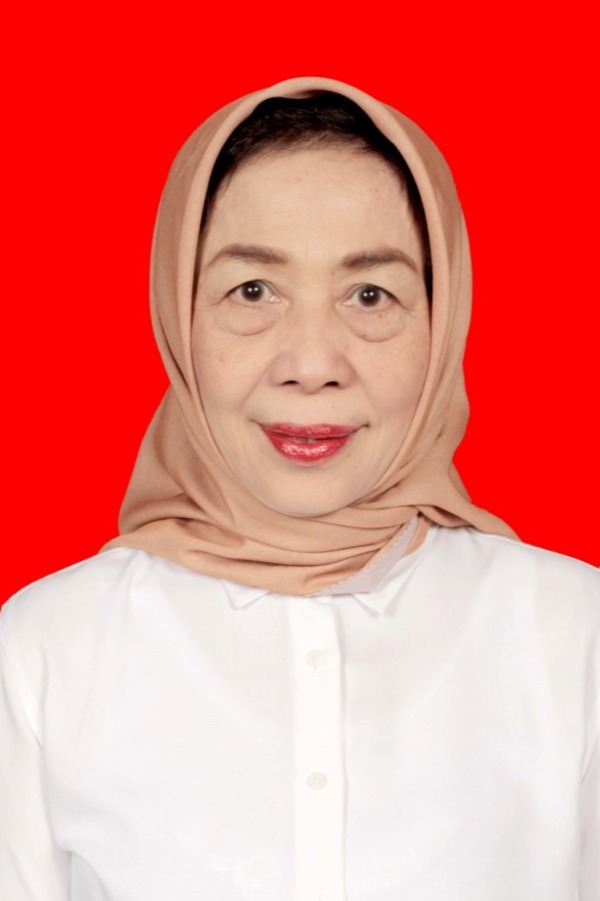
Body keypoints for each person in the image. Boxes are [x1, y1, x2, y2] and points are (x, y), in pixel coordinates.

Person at [0, 77, 598, 901]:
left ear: (443, 322)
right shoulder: (44, 649)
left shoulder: (575, 636)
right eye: (253, 290)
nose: (312, 364)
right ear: (178, 316)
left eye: (370, 294)